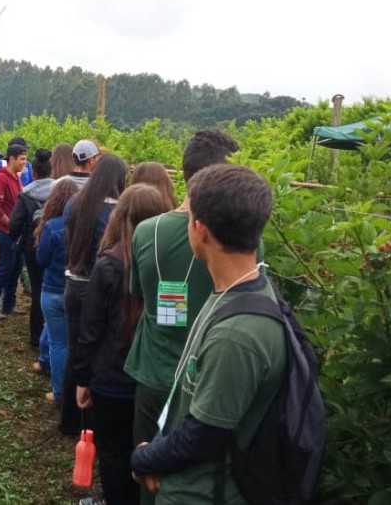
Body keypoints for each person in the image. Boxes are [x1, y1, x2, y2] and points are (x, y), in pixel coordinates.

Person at [131, 164, 282, 505]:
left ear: (200, 229)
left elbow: (205, 433)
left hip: (202, 493)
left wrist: (146, 457)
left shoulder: (237, 335)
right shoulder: (237, 291)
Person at [122, 130, 240, 505]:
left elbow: (137, 297)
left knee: (148, 475)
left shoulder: (146, 232)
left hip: (154, 376)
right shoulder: (241, 238)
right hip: (213, 384)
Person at [72, 184, 170, 505]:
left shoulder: (109, 264)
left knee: (112, 452)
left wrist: (83, 380)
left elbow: (91, 330)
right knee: (147, 451)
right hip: (151, 378)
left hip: (111, 379)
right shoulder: (166, 266)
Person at [60, 154, 128, 435]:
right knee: (94, 352)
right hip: (95, 286)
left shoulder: (76, 203)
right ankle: (90, 420)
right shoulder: (115, 211)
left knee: (75, 350)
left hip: (72, 283)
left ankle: (68, 420)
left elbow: (67, 238)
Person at [35, 180, 80, 402]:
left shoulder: (51, 226)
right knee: (74, 342)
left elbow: (40, 259)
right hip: (77, 289)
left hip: (52, 290)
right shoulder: (84, 225)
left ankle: (60, 391)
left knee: (58, 342)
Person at [9, 149, 53, 346]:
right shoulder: (61, 190)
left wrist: (17, 238)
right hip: (56, 245)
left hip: (33, 246)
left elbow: (14, 224)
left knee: (37, 290)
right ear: (51, 172)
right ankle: (52, 330)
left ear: (33, 172)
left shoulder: (25, 194)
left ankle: (36, 336)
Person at [0, 144, 27, 319]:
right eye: (22, 159)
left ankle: (9, 304)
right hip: (4, 232)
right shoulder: (0, 179)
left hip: (15, 232)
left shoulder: (16, 178)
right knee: (4, 268)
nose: (25, 162)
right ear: (12, 158)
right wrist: (12, 226)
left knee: (16, 268)